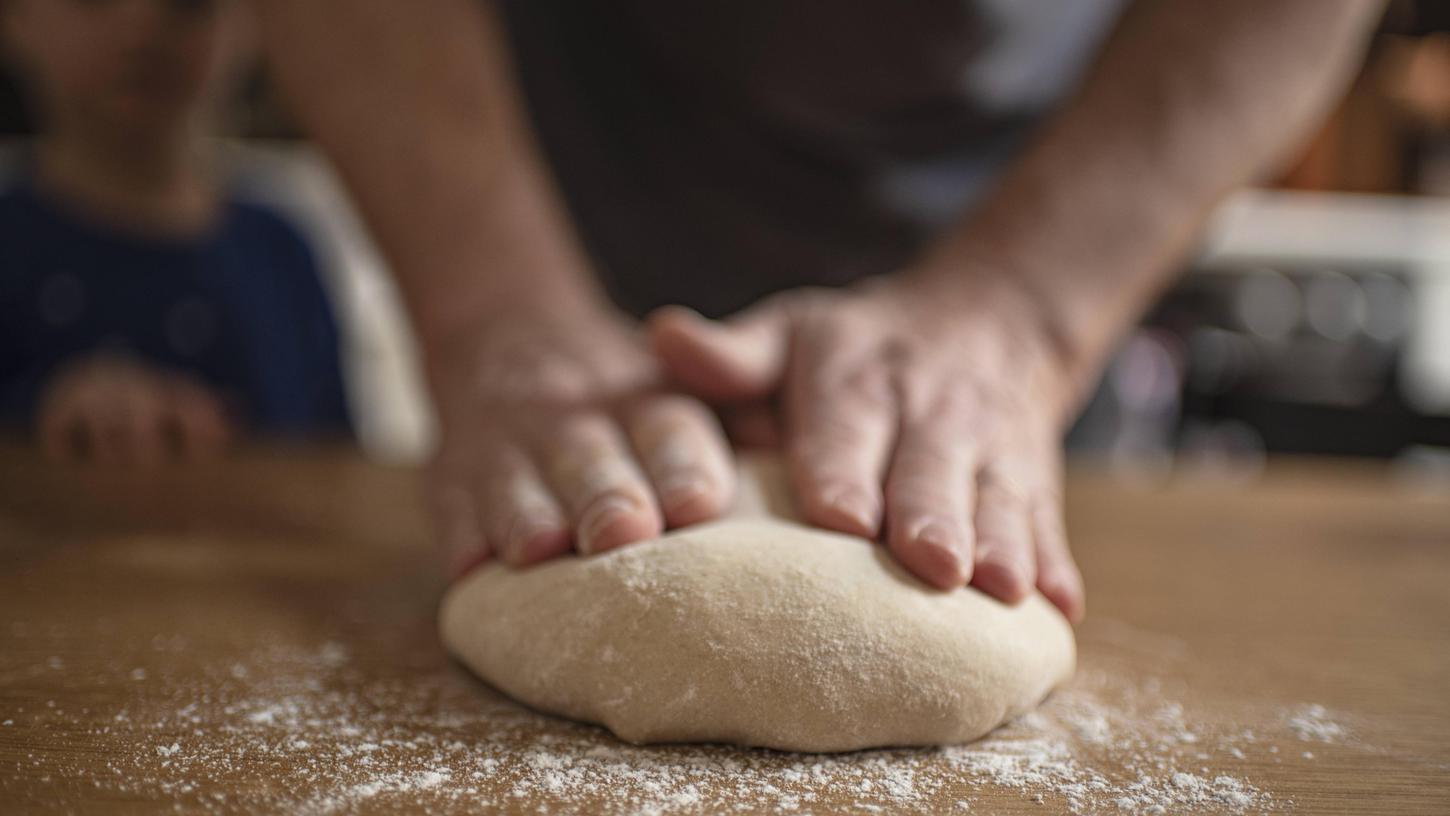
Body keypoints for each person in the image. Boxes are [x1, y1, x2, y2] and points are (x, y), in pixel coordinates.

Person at [250, 0, 1384, 621]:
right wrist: (495, 310)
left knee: (957, 565)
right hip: (549, 188)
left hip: (1046, 208)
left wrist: (1023, 316)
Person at [0, 0, 349, 464]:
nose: (142, 27)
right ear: (14, 17)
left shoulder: (282, 250)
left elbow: (338, 459)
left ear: (254, 24)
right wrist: (42, 411)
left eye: (189, 3)